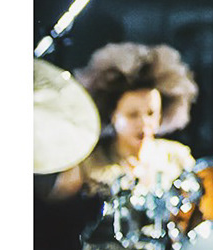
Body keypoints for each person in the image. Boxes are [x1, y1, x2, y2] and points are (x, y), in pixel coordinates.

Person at [48, 39, 199, 201]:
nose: (144, 123)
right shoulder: (88, 165)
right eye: (133, 114)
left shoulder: (178, 158)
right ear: (113, 115)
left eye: (151, 113)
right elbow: (56, 210)